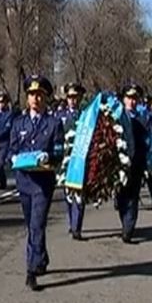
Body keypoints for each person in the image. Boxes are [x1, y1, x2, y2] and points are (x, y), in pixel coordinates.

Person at [9, 75, 65, 290]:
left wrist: (48, 158)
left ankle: (31, 270)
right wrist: (12, 158)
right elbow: (12, 149)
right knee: (30, 224)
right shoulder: (18, 123)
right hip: (24, 181)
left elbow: (58, 151)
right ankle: (40, 256)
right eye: (32, 94)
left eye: (40, 95)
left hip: (42, 183)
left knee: (37, 224)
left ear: (46, 98)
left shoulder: (53, 123)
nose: (35, 98)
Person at [116, 84, 149, 243]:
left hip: (137, 164)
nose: (132, 101)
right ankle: (125, 222)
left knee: (133, 197)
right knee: (122, 196)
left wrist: (147, 163)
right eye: (129, 98)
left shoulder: (143, 119)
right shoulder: (116, 118)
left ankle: (128, 229)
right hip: (120, 165)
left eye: (135, 98)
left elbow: (148, 142)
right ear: (123, 100)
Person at [60, 82, 87, 239]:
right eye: (70, 97)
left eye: (76, 97)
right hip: (66, 159)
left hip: (81, 159)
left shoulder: (86, 116)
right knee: (68, 192)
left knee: (79, 193)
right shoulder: (60, 116)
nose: (73, 100)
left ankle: (77, 226)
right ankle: (72, 221)